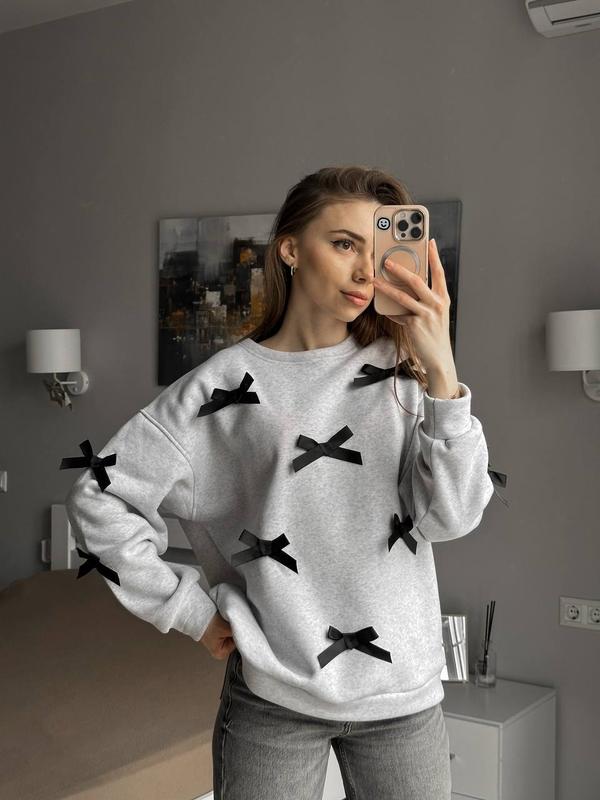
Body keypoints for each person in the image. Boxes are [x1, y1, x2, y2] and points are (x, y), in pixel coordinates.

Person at [65, 165, 495, 799]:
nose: (364, 271)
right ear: (290, 249)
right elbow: (99, 497)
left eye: (375, 251)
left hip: (403, 701)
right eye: (344, 243)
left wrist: (443, 375)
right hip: (273, 701)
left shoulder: (406, 376)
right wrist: (188, 611)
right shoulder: (216, 389)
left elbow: (451, 519)